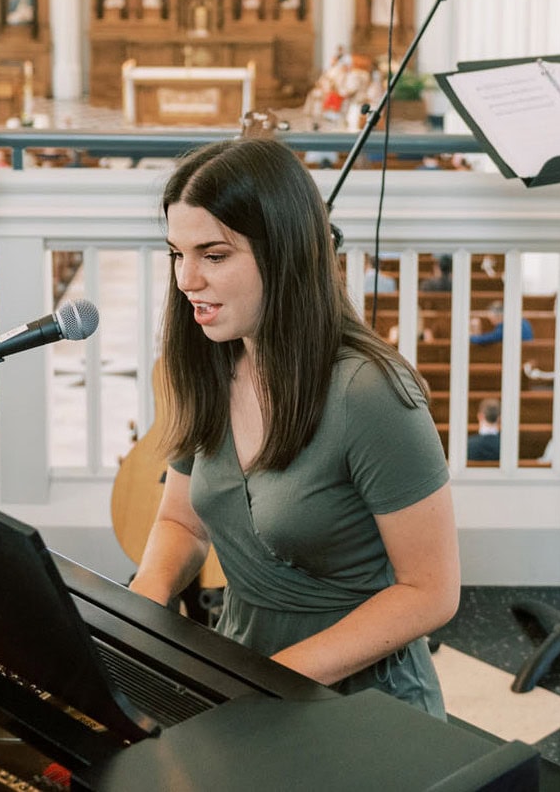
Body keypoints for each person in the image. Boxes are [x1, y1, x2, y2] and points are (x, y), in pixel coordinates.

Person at [129, 138, 458, 716]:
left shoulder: (370, 393)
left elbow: (430, 593)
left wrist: (268, 684)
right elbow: (182, 520)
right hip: (243, 670)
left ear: (284, 254)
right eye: (176, 254)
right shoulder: (208, 360)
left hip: (361, 699)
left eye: (213, 255)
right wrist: (139, 610)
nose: (186, 281)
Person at [467, 300, 532, 347]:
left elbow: (485, 339)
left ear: (499, 316)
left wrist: (470, 336)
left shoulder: (505, 327)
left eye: (492, 318)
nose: (492, 322)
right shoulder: (523, 322)